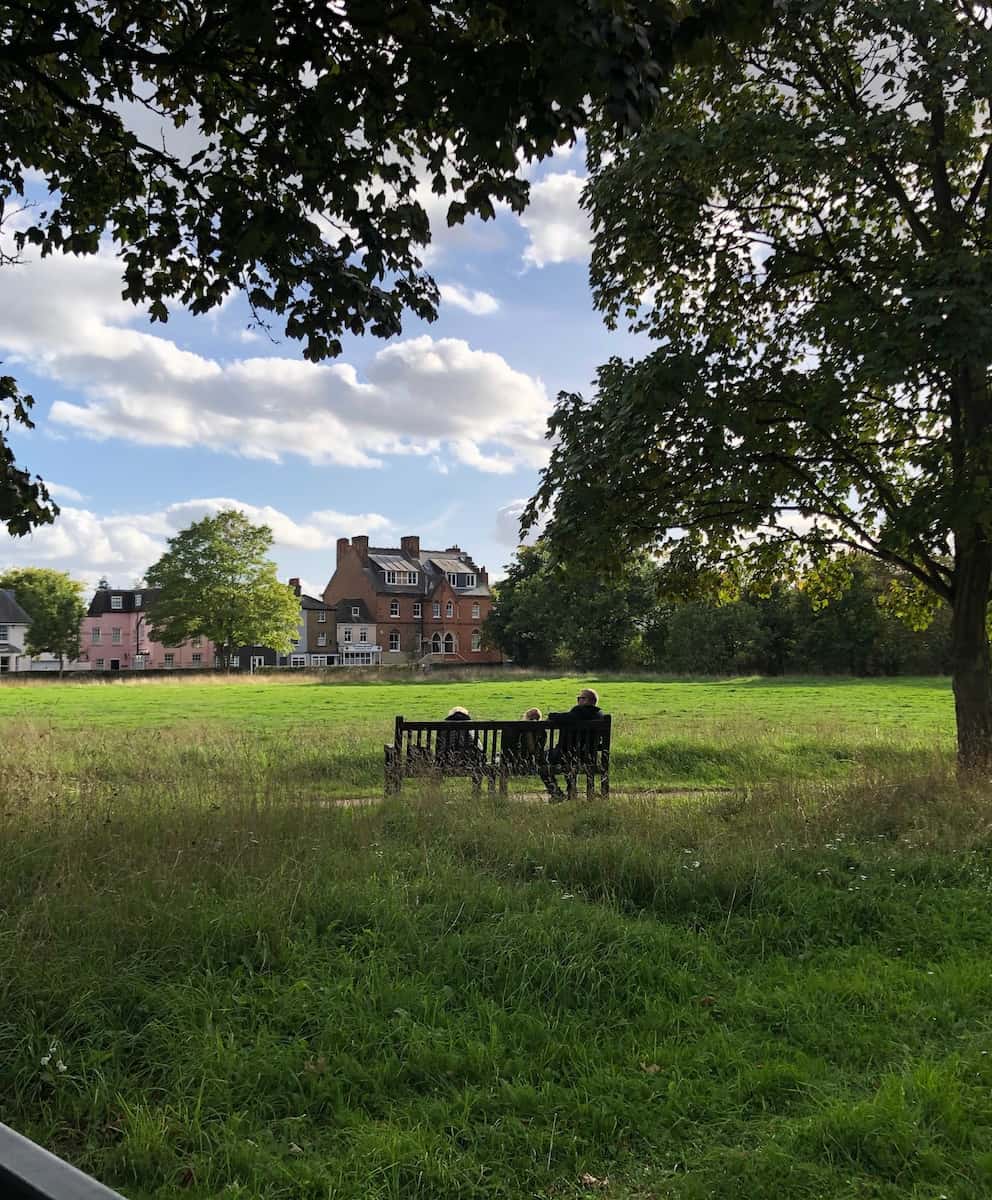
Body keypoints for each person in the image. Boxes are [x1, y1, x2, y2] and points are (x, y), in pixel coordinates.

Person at [543, 688, 605, 800]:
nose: (578, 701)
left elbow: (564, 717)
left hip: (567, 755)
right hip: (589, 757)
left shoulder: (578, 712)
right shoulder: (600, 715)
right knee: (567, 756)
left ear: (588, 700)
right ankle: (573, 791)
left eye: (580, 698)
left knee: (541, 760)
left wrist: (551, 715)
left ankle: (556, 793)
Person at [500, 707, 547, 773]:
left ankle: (502, 783)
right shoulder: (542, 732)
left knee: (503, 761)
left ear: (526, 718)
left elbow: (530, 749)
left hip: (519, 761)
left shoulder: (522, 732)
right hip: (536, 761)